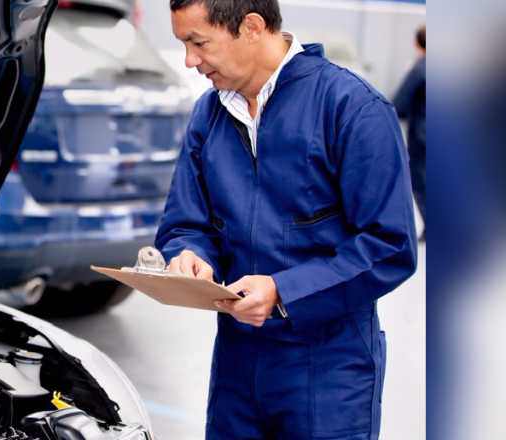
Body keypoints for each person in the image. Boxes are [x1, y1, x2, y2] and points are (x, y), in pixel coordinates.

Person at [155, 1, 418, 439]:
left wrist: (284, 291)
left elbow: (389, 245)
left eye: (198, 43)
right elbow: (187, 221)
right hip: (237, 362)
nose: (189, 60)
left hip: (328, 366)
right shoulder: (209, 114)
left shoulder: (352, 108)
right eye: (183, 44)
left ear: (252, 27)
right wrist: (189, 255)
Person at [393, 25, 426, 242]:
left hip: (423, 136)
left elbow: (400, 103)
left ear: (417, 43)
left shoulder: (420, 69)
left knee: (422, 181)